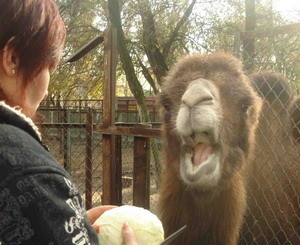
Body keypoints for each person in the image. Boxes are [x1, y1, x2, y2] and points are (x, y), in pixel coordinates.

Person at [0, 0, 137, 244]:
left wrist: (64, 222)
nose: (45, 89)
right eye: (48, 68)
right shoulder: (22, 163)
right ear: (12, 59)